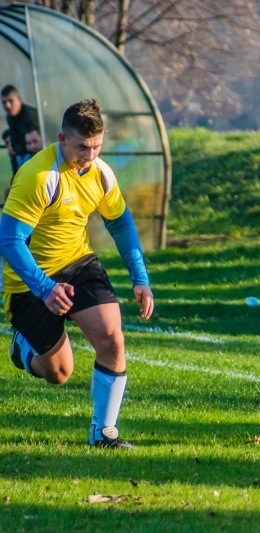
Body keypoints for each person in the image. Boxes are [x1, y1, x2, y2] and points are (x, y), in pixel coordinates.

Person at [0, 99, 155, 449]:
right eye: (83, 147)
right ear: (62, 139)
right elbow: (9, 240)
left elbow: (121, 223)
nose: (90, 155)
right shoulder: (39, 177)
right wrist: (44, 287)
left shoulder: (100, 173)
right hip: (29, 280)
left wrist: (140, 278)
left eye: (98, 147)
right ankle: (22, 348)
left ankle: (103, 434)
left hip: (78, 263)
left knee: (112, 337)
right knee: (59, 373)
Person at [1, 85, 39, 175]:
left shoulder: (29, 117)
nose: (7, 105)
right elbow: (14, 143)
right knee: (13, 155)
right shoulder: (9, 117)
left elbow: (35, 145)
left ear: (19, 100)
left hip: (35, 154)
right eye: (4, 102)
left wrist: (20, 148)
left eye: (10, 101)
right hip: (22, 153)